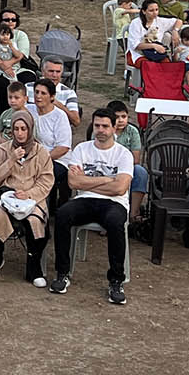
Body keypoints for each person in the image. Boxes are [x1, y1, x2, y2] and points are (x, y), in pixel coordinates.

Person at [47, 108, 133, 305]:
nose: (100, 130)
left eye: (105, 126)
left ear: (114, 128)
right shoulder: (81, 149)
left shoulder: (123, 154)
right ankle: (62, 273)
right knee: (62, 214)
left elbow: (120, 188)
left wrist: (87, 181)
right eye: (97, 126)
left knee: (115, 223)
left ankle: (116, 281)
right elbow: (73, 183)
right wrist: (106, 179)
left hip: (115, 203)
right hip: (85, 200)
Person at [0, 110, 57, 283]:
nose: (20, 133)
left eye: (23, 129)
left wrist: (28, 194)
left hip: (32, 197)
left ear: (30, 129)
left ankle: (34, 268)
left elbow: (46, 181)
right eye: (16, 129)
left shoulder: (41, 153)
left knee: (35, 220)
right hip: (5, 197)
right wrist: (10, 160)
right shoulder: (1, 150)